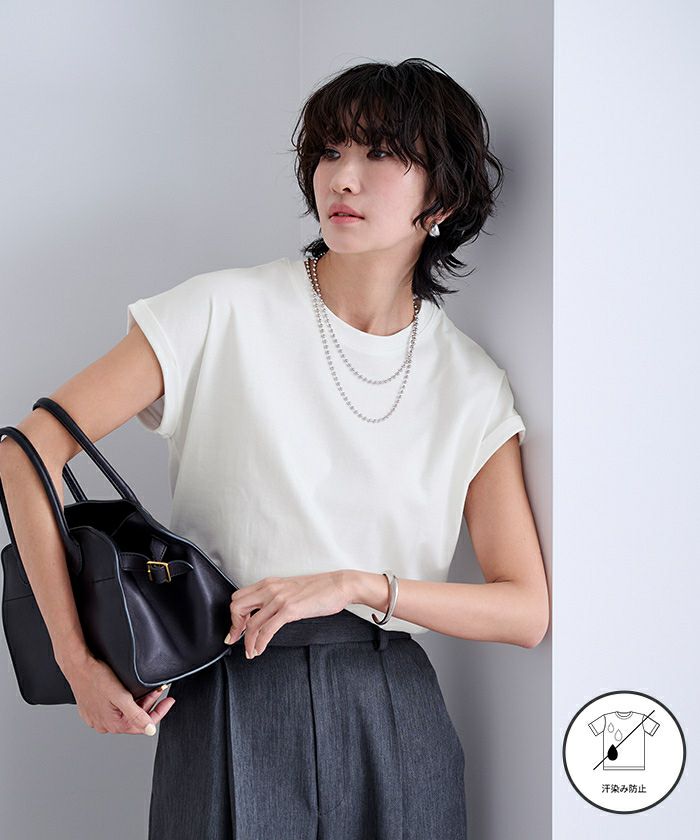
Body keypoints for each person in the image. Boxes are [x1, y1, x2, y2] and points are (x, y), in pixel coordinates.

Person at [0, 58, 548, 838]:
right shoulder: (221, 310)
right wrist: (75, 660)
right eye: (330, 151)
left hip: (393, 709)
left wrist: (355, 585)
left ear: (444, 200)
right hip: (232, 683)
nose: (343, 178)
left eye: (380, 154)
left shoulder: (470, 382)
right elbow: (25, 451)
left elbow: (524, 609)